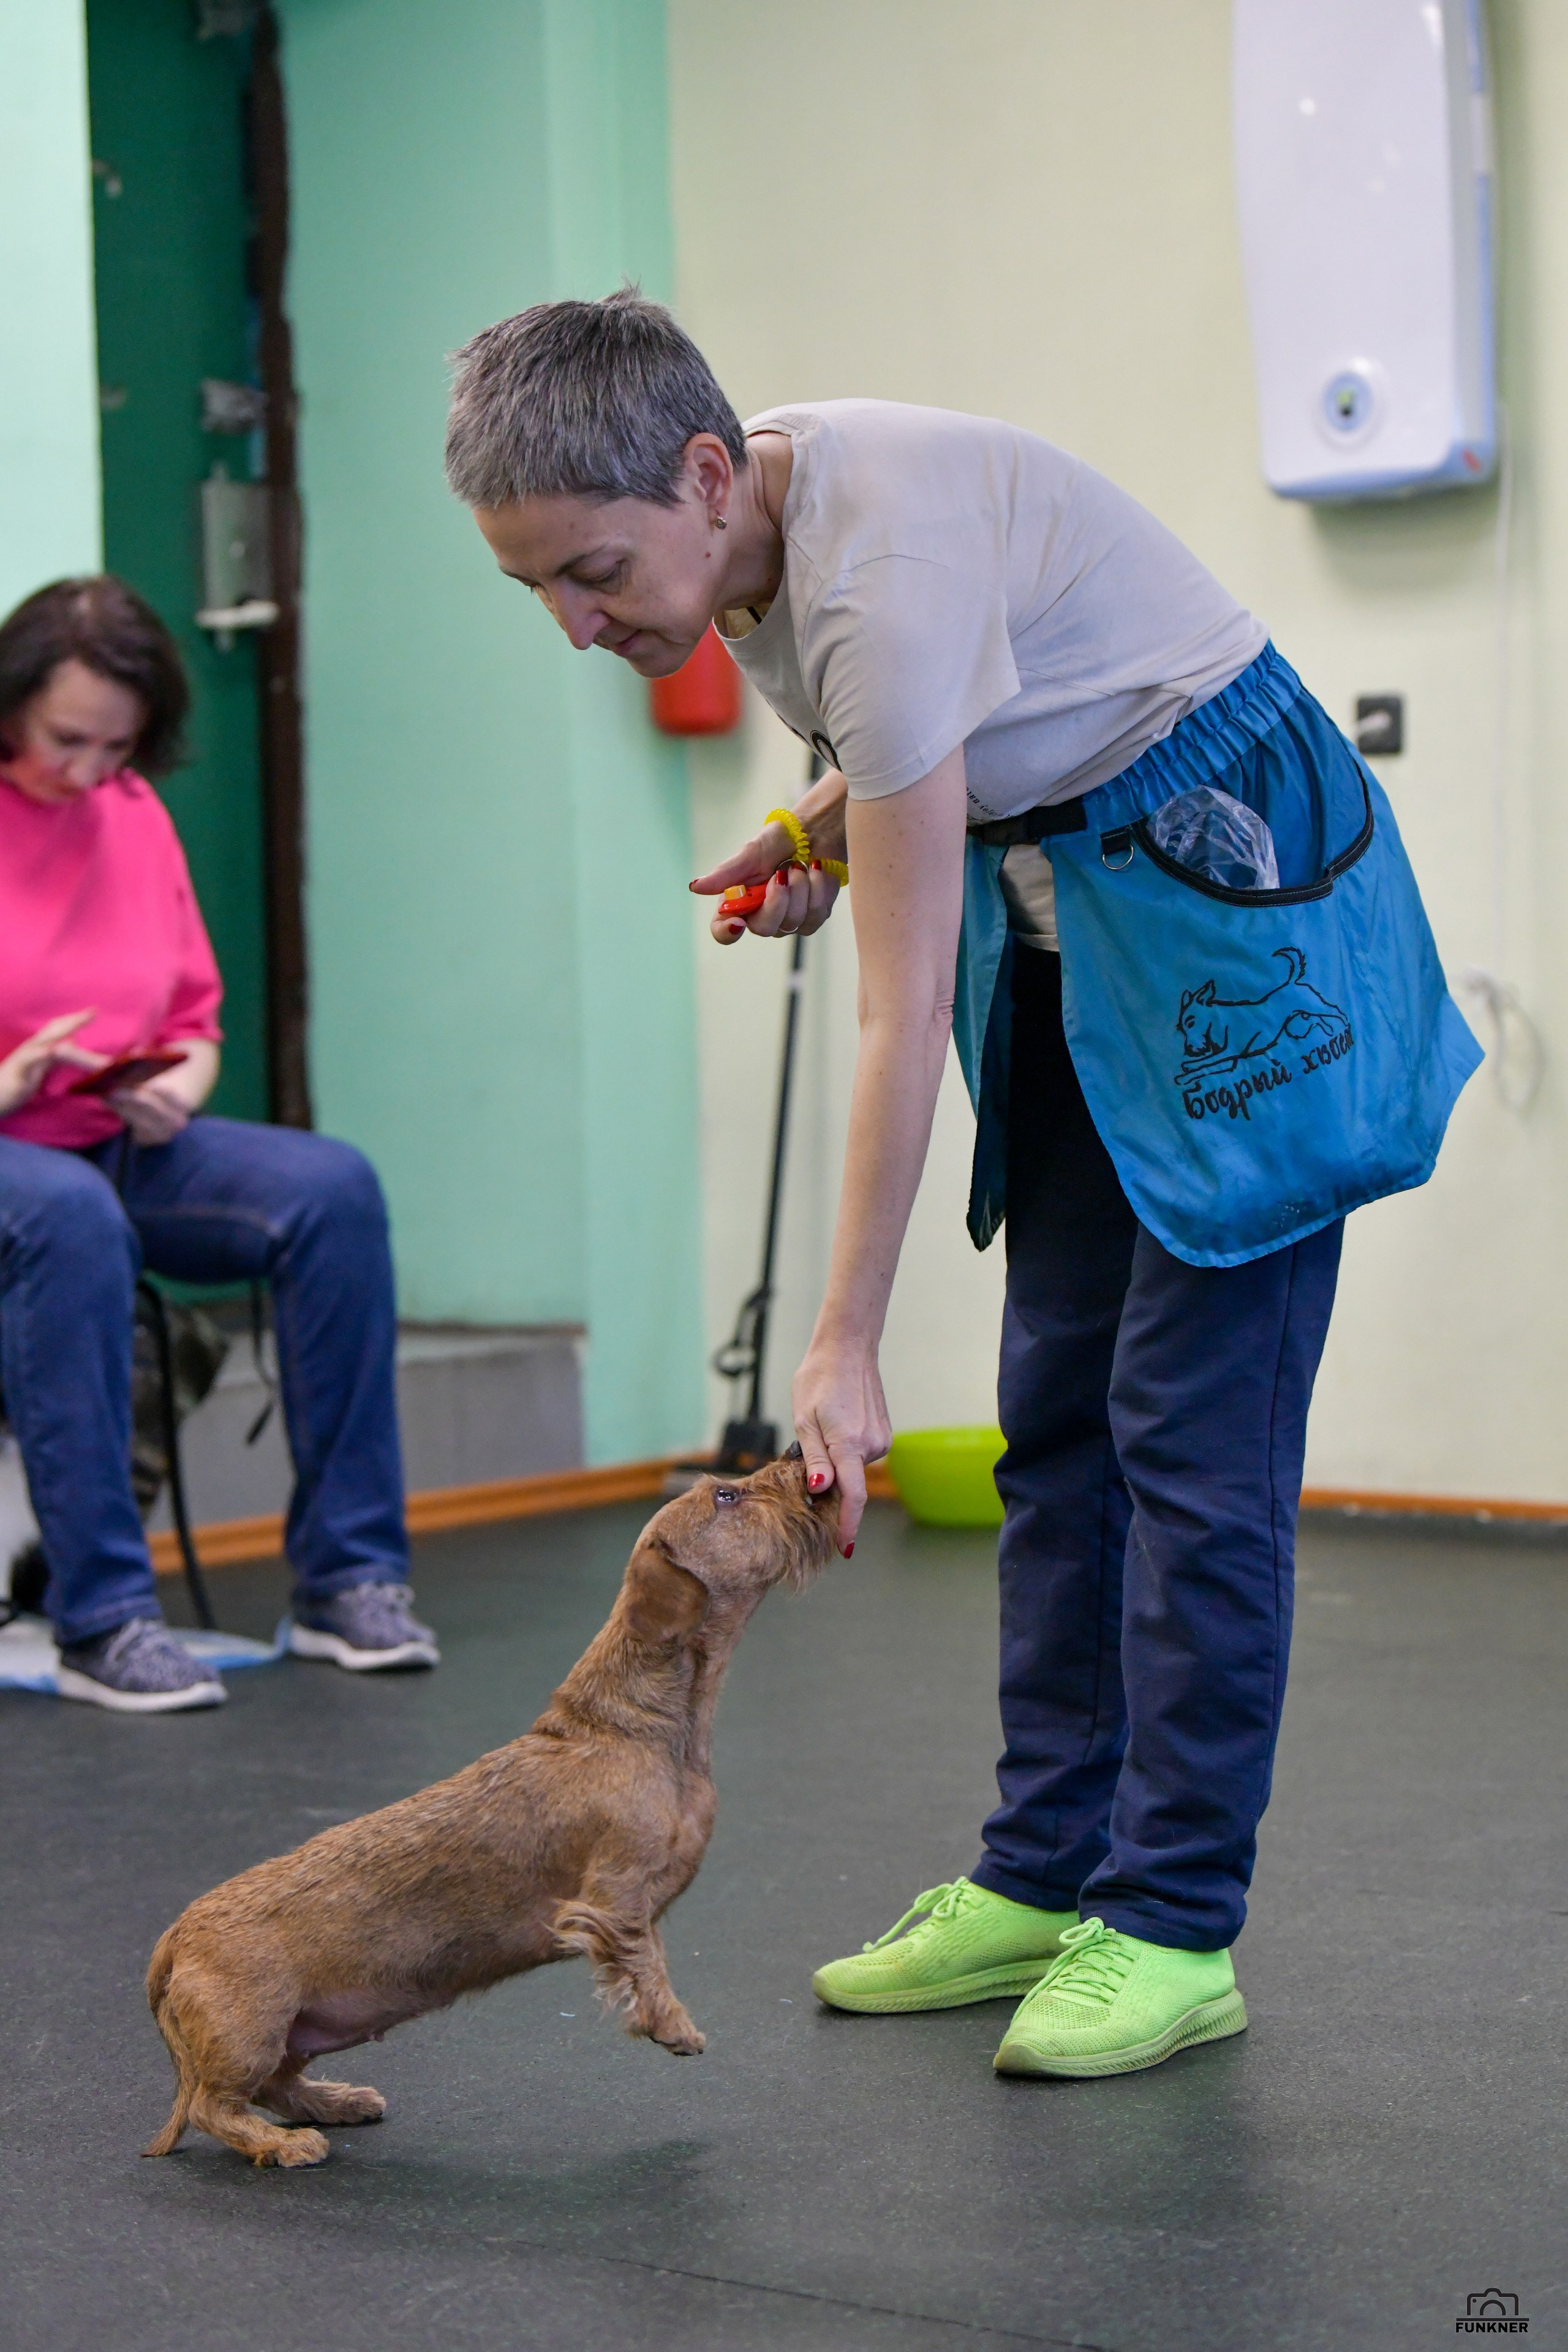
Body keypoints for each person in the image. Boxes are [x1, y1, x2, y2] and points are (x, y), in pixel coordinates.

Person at [443, 292, 1479, 2080]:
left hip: (1237, 919)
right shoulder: (752, 519)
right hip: (1081, 910)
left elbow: (897, 1007)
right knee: (1057, 1411)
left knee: (1193, 1437)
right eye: (537, 584)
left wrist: (842, 1343)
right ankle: (1041, 1869)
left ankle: (1170, 1919)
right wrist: (806, 832)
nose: (572, 621)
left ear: (703, 474)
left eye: (593, 572)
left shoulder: (879, 572)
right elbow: (946, 737)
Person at [0, 576, 437, 1713]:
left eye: (118, 744)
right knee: (64, 1212)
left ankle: (351, 1580)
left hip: (113, 1135)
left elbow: (193, 1016)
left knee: (330, 1188)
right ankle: (100, 1616)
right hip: (26, 1166)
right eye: (66, 741)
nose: (92, 771)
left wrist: (176, 1090)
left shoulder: (132, 813)